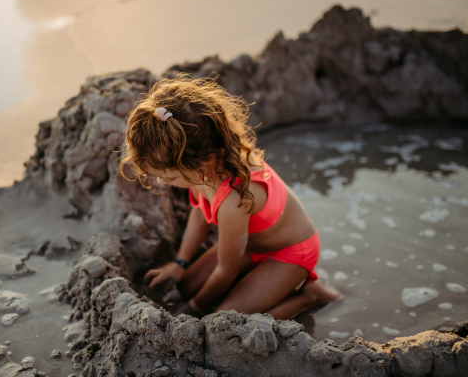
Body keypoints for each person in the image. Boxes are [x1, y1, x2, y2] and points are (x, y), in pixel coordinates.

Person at [120, 75, 341, 319]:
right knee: (185, 286)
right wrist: (180, 263)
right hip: (250, 244)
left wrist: (194, 308)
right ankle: (258, 283)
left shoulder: (233, 201)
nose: (162, 183)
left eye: (169, 177)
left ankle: (309, 296)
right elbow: (200, 211)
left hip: (289, 253)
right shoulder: (203, 167)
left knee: (225, 319)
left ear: (205, 162)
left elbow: (226, 270)